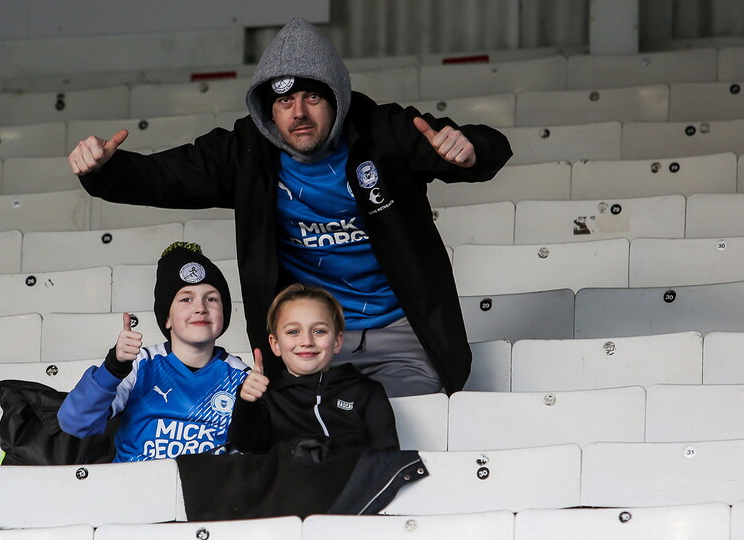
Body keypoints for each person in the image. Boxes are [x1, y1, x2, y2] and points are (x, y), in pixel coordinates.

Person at [68, 17, 513, 397]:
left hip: (400, 332)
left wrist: (471, 150)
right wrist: (103, 170)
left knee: (404, 427)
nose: (298, 112)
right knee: (311, 441)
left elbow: (477, 147)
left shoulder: (386, 131)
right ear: (269, 111)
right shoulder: (246, 152)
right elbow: (165, 177)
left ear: (337, 98)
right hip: (308, 343)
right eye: (284, 101)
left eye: (312, 98)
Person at [57, 242, 249, 462]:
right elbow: (74, 422)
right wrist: (113, 367)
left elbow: (249, 454)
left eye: (212, 298)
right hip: (133, 488)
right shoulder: (140, 364)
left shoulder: (241, 376)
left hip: (205, 490)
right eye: (186, 299)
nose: (200, 308)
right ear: (166, 317)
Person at [227, 283, 398, 454]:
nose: (307, 341)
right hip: (289, 480)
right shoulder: (267, 398)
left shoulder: (365, 392)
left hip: (354, 479)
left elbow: (388, 458)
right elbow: (244, 443)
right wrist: (246, 402)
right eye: (293, 332)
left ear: (337, 341)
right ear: (275, 344)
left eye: (319, 331)